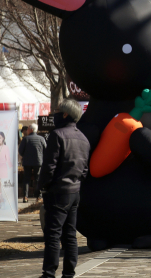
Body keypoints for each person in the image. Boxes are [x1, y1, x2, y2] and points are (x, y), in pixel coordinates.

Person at [38, 99, 90, 278]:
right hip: (75, 192)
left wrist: (43, 186)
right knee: (70, 235)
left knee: (53, 235)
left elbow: (48, 167)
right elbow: (84, 170)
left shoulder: (57, 135)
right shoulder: (83, 138)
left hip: (57, 192)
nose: (55, 113)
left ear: (66, 114)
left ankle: (49, 273)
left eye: (58, 110)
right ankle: (69, 273)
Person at [19, 123, 46, 203]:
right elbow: (46, 150)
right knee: (38, 179)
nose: (26, 130)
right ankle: (39, 197)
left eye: (28, 129)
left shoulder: (25, 139)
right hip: (38, 162)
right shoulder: (41, 139)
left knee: (26, 179)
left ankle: (25, 197)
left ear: (31, 130)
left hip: (27, 162)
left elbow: (20, 151)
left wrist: (25, 155)